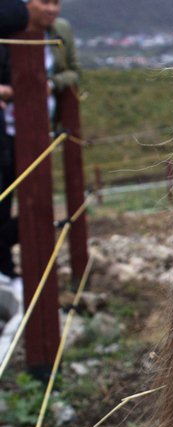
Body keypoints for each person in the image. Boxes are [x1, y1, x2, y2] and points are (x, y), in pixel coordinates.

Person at [0, 0, 79, 280]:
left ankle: (15, 272)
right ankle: (8, 270)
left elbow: (73, 71)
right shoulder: (9, 30)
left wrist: (52, 84)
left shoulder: (60, 32)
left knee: (37, 202)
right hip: (8, 130)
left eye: (56, 3)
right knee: (7, 200)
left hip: (40, 131)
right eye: (44, 2)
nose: (52, 9)